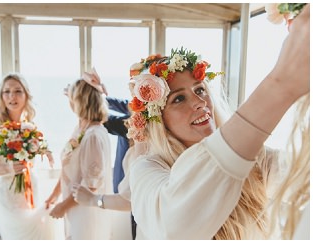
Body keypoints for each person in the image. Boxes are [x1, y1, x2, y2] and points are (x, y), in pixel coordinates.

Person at [124, 9, 308, 239]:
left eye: (200, 90)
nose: (200, 102)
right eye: (178, 98)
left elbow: (301, 175)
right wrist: (280, 85)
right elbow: (174, 225)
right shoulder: (147, 169)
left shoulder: (254, 158)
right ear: (161, 121)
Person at [0, 74, 56, 240]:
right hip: (9, 197)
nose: (12, 96)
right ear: (2, 96)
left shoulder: (30, 127)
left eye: (18, 91)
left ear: (26, 95)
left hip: (31, 188)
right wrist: (8, 168)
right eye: (7, 91)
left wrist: (44, 151)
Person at [46, 71, 111, 240]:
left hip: (86, 212)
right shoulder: (80, 129)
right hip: (73, 206)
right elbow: (69, 169)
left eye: (72, 97)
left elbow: (91, 184)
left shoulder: (94, 136)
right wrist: (54, 196)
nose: (69, 101)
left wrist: (63, 206)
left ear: (80, 101)